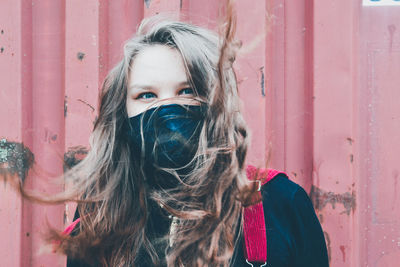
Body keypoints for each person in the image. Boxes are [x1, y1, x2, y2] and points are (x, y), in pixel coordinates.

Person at [10, 11, 329, 267]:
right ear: (123, 116)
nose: (167, 109)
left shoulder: (281, 203)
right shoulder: (100, 214)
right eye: (147, 95)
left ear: (217, 100)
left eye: (187, 90)